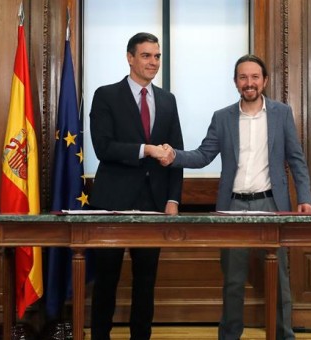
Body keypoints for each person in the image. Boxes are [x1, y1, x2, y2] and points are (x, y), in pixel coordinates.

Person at [152, 54, 311, 340]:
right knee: (233, 281)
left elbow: (296, 159)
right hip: (232, 207)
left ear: (264, 81)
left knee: (280, 281)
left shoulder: (282, 113)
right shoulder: (222, 117)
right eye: (243, 77)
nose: (248, 83)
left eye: (254, 77)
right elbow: (203, 156)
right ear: (235, 82)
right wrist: (173, 156)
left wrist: (305, 197)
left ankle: (283, 336)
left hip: (272, 206)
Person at [88, 32, 184, 340]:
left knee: (146, 281)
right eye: (146, 56)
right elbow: (103, 147)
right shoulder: (105, 95)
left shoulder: (168, 100)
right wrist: (146, 149)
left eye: (157, 56)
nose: (153, 62)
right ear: (130, 57)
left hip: (153, 203)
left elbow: (176, 153)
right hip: (111, 202)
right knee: (106, 279)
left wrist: (173, 200)